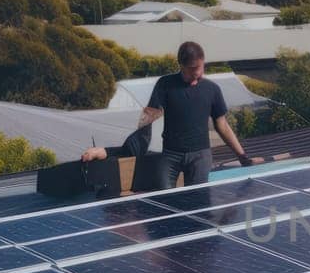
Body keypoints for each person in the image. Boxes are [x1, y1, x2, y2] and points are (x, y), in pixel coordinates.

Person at [81, 41, 259, 188]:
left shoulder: (212, 90)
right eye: (191, 69)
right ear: (181, 66)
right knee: (165, 202)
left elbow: (222, 126)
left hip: (200, 156)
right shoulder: (165, 85)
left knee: (197, 203)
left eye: (199, 67)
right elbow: (146, 121)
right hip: (170, 156)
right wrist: (109, 150)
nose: (196, 73)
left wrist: (242, 156)